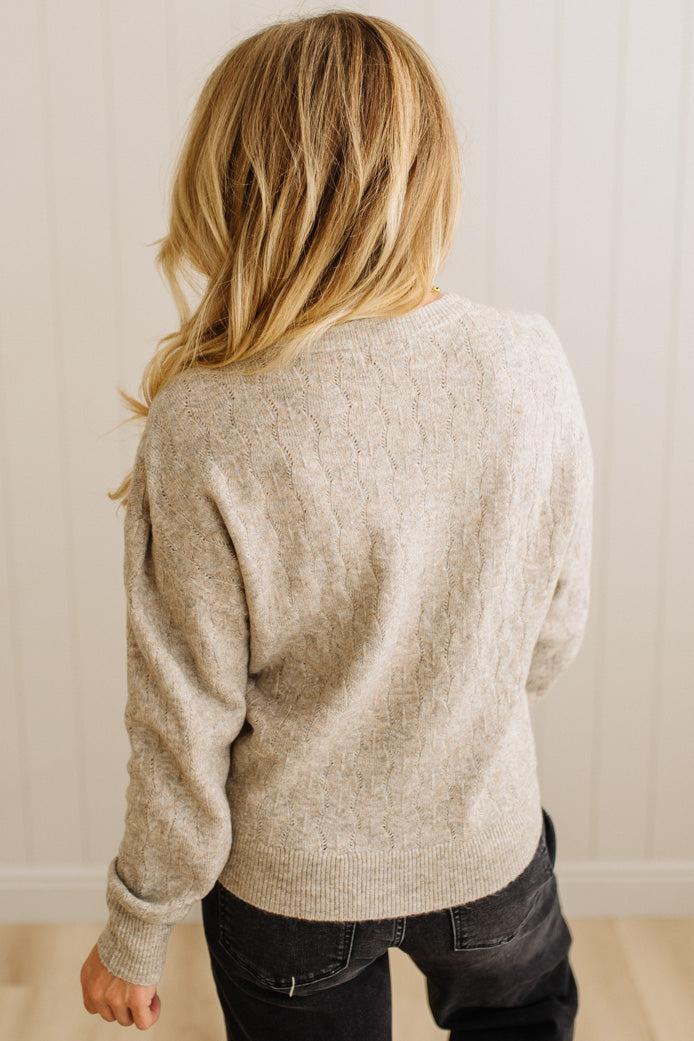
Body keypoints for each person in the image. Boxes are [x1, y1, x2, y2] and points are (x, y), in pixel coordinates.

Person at [80, 10, 592, 1040]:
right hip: (484, 847)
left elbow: (184, 720)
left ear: (234, 186)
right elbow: (552, 624)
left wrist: (138, 926)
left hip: (292, 891)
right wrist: (450, 712)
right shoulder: (525, 362)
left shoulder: (208, 417)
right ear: (425, 174)